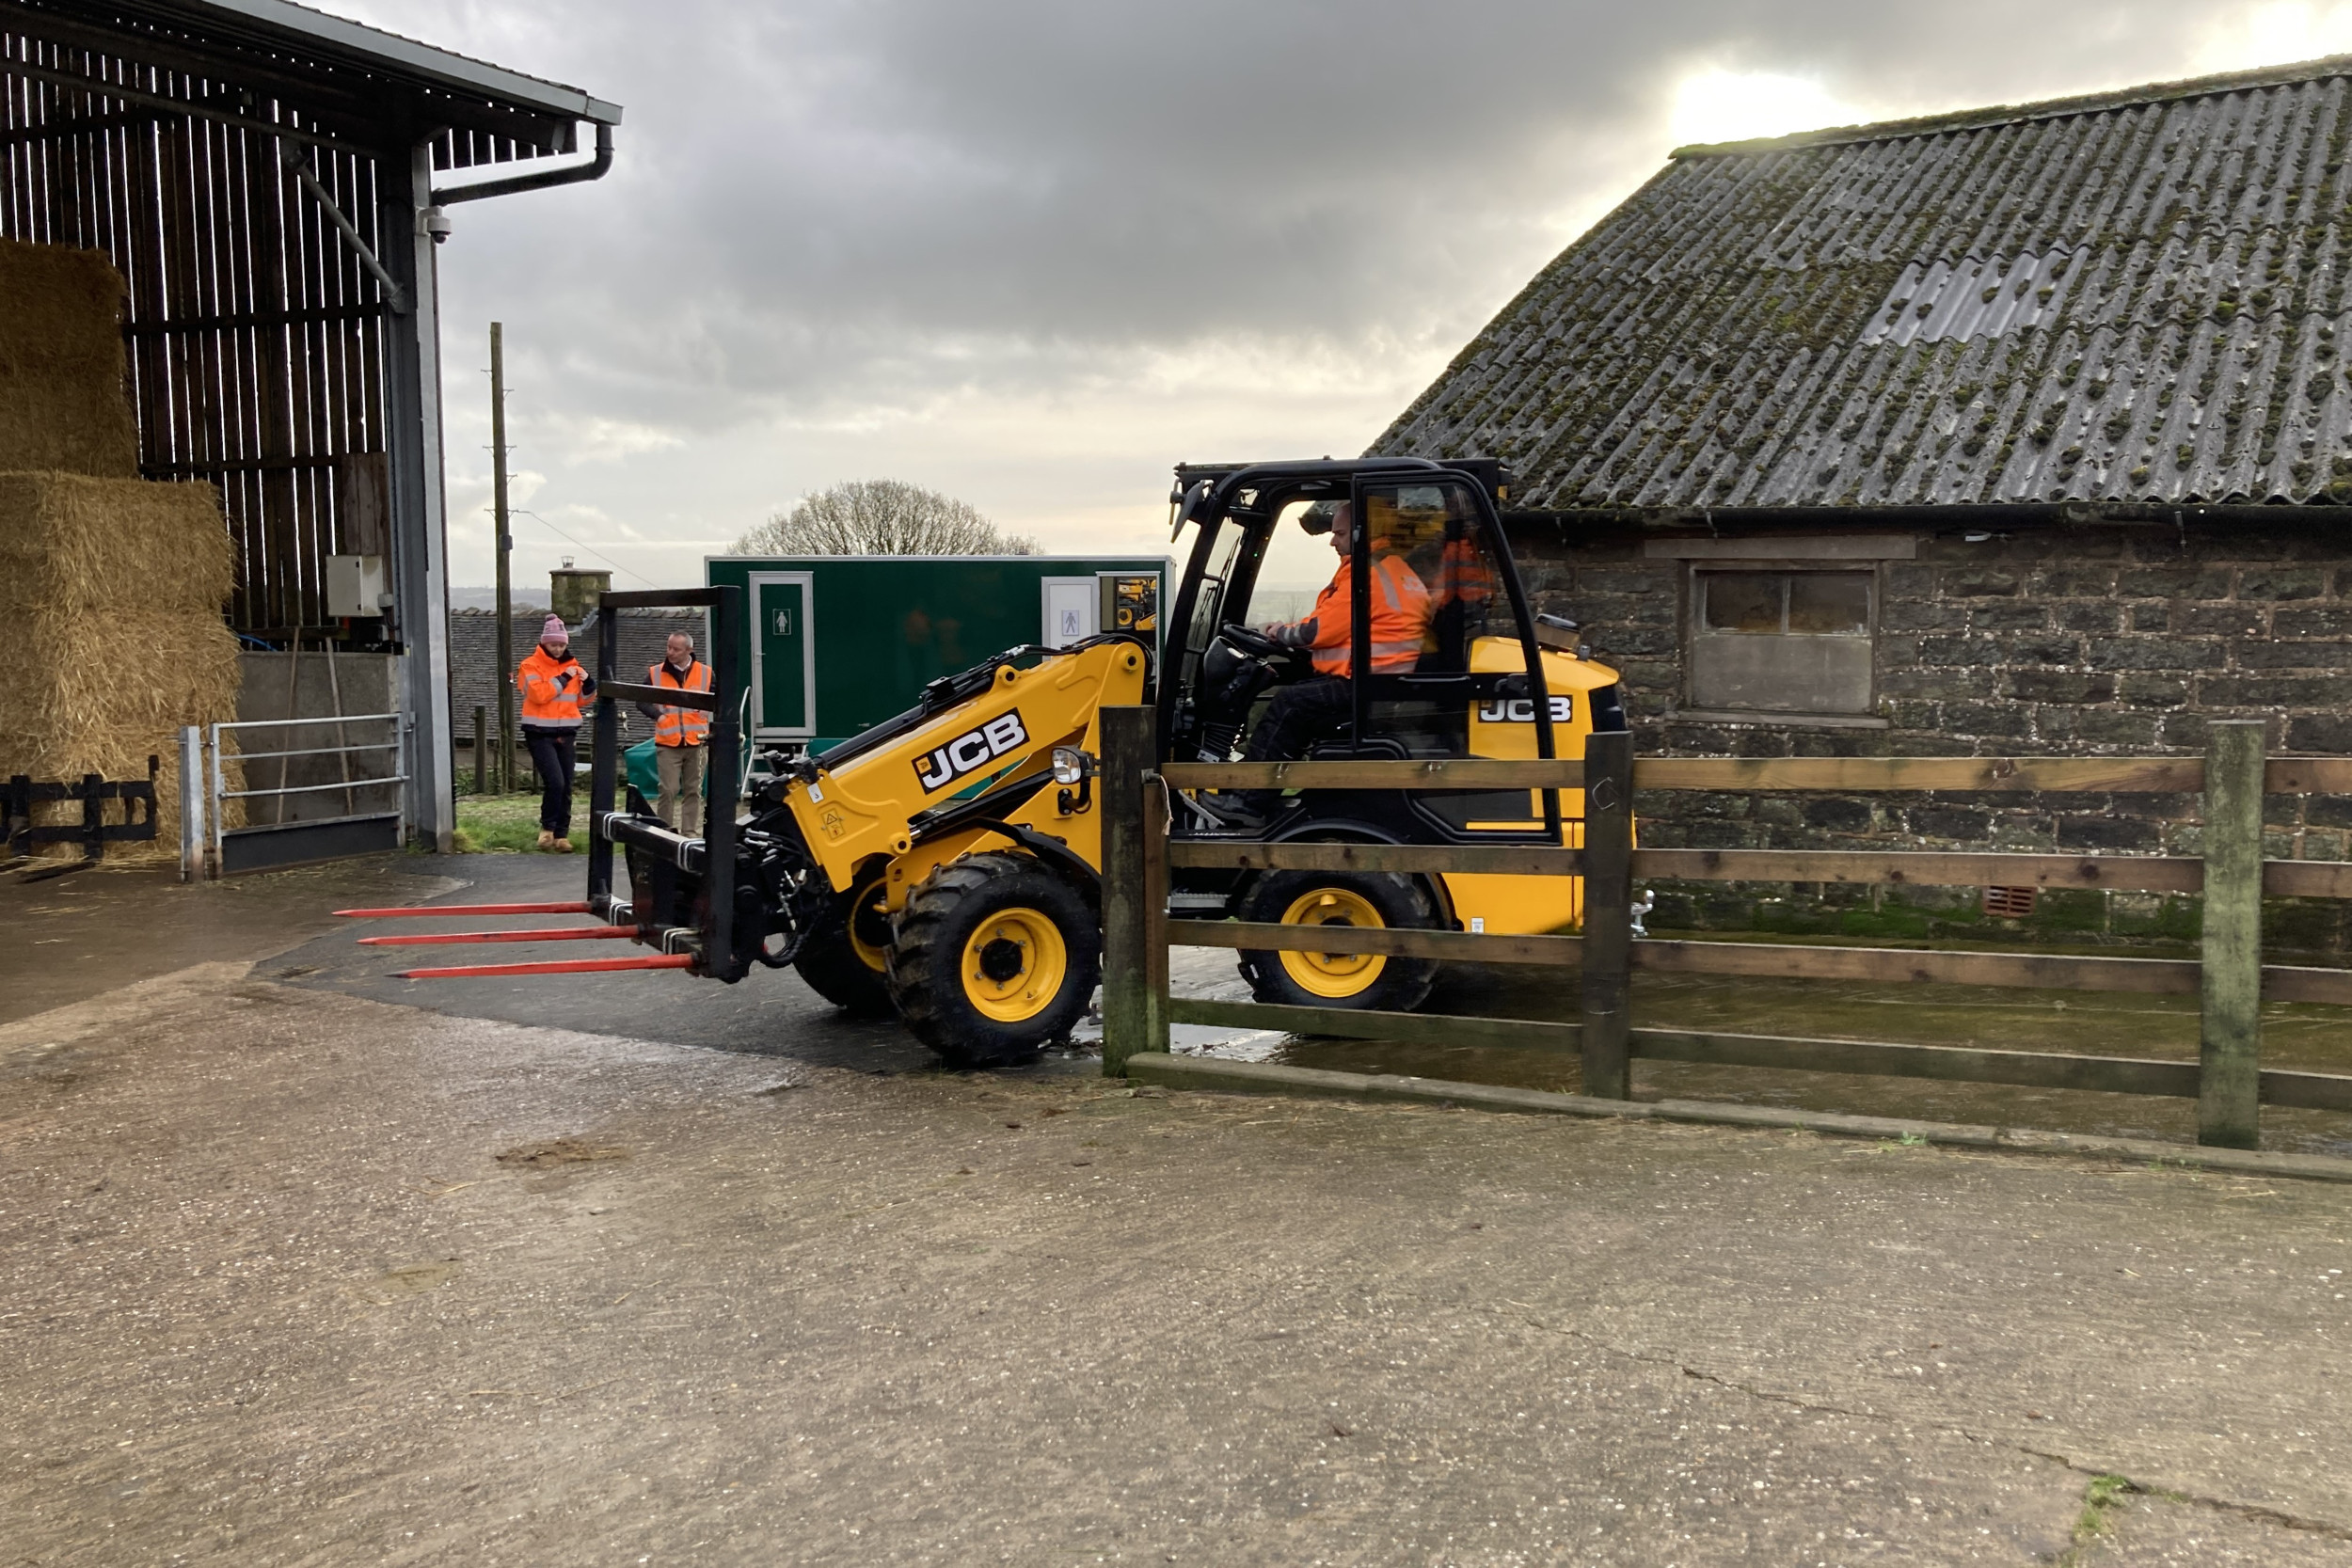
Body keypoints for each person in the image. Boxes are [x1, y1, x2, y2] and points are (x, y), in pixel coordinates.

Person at [1239, 500, 1432, 797]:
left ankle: (1247, 800)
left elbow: (1319, 631)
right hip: (1385, 681)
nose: (1332, 541)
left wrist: (1280, 633)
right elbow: (1332, 618)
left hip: (1365, 685)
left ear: (1360, 532)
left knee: (1288, 703)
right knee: (1300, 694)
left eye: (1340, 533)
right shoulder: (1393, 569)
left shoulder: (1367, 574)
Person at [516, 614, 595, 851]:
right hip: (539, 732)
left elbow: (580, 701)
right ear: (544, 643)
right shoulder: (529, 665)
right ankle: (547, 829)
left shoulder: (573, 666)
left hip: (567, 731)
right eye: (554, 644)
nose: (559, 649)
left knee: (567, 784)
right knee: (556, 782)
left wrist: (590, 684)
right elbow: (539, 695)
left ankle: (562, 835)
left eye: (562, 644)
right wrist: (563, 678)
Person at [637, 630, 711, 835]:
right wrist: (658, 716)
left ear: (689, 650)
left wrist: (707, 711)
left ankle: (689, 832)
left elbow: (719, 700)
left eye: (676, 649)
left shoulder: (706, 673)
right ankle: (665, 832)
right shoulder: (655, 673)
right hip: (667, 742)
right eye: (669, 647)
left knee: (693, 791)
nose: (670, 652)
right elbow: (640, 701)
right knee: (667, 790)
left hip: (697, 743)